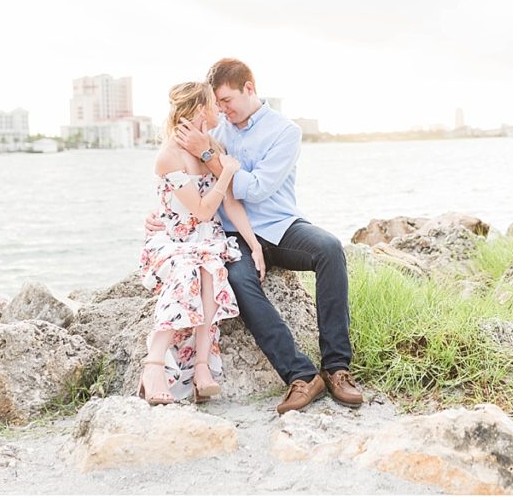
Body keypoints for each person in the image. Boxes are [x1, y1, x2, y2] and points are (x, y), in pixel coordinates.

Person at [145, 58, 363, 414]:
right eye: (216, 102)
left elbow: (257, 189)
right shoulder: (214, 130)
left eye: (227, 100)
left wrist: (209, 155)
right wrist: (158, 214)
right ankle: (302, 376)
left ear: (249, 88)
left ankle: (337, 368)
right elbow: (179, 176)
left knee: (329, 249)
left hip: (279, 226)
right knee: (239, 282)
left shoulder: (285, 131)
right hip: (232, 233)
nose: (222, 109)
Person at [137, 81, 266, 405]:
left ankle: (201, 368)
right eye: (214, 104)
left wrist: (255, 245)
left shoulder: (211, 146)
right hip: (172, 237)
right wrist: (226, 174)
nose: (219, 110)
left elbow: (232, 204)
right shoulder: (168, 156)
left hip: (205, 238)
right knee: (187, 270)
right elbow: (203, 209)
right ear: (199, 109)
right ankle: (153, 364)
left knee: (210, 270)